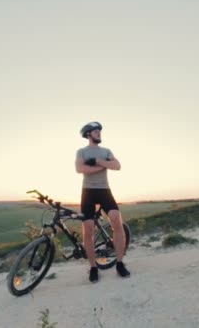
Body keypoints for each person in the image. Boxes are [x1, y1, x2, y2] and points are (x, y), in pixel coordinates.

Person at [75, 121, 130, 283]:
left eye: (99, 130)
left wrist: (99, 162)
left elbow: (117, 166)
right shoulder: (82, 152)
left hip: (104, 190)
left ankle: (120, 263)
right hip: (88, 192)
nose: (99, 133)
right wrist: (105, 166)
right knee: (88, 228)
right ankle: (93, 267)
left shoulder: (106, 151)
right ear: (88, 134)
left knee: (116, 221)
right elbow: (81, 169)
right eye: (95, 131)